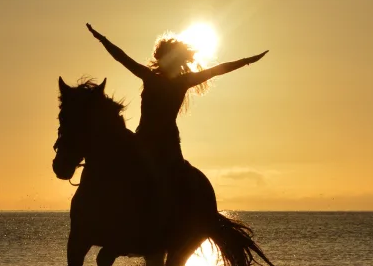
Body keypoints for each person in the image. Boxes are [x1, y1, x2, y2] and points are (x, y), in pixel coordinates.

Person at [86, 23, 267, 176]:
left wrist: (247, 60)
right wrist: (102, 39)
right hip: (142, 139)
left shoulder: (181, 81)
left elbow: (219, 69)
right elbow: (122, 57)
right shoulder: (151, 77)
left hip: (167, 145)